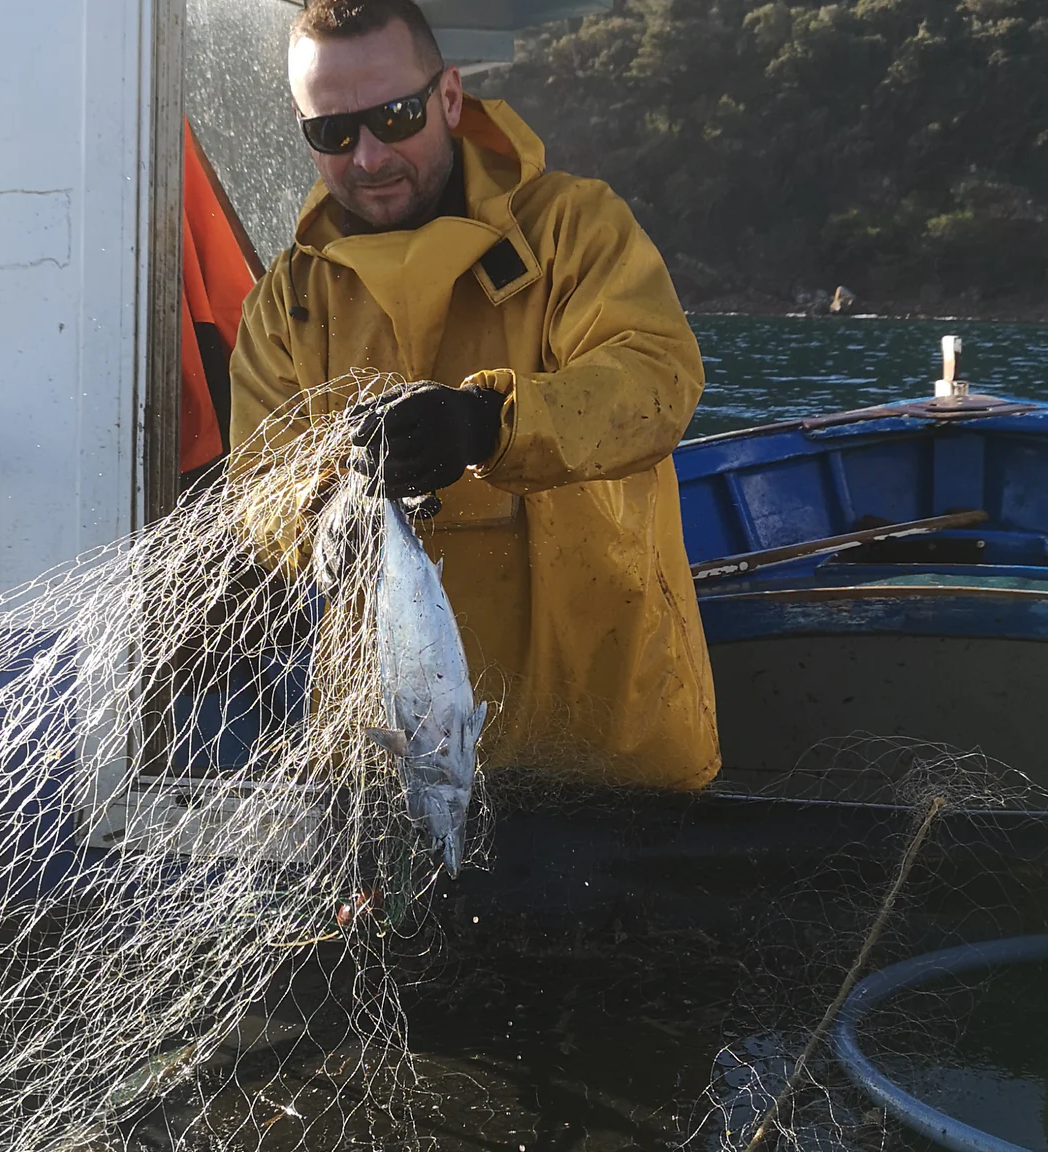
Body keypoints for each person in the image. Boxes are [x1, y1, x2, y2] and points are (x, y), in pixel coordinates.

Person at [229, 0, 719, 788]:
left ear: (449, 98)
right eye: (333, 132)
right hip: (389, 761)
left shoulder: (575, 229)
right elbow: (261, 493)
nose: (368, 156)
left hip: (611, 750)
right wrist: (327, 515)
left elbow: (657, 379)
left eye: (394, 116)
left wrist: (490, 423)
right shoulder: (287, 306)